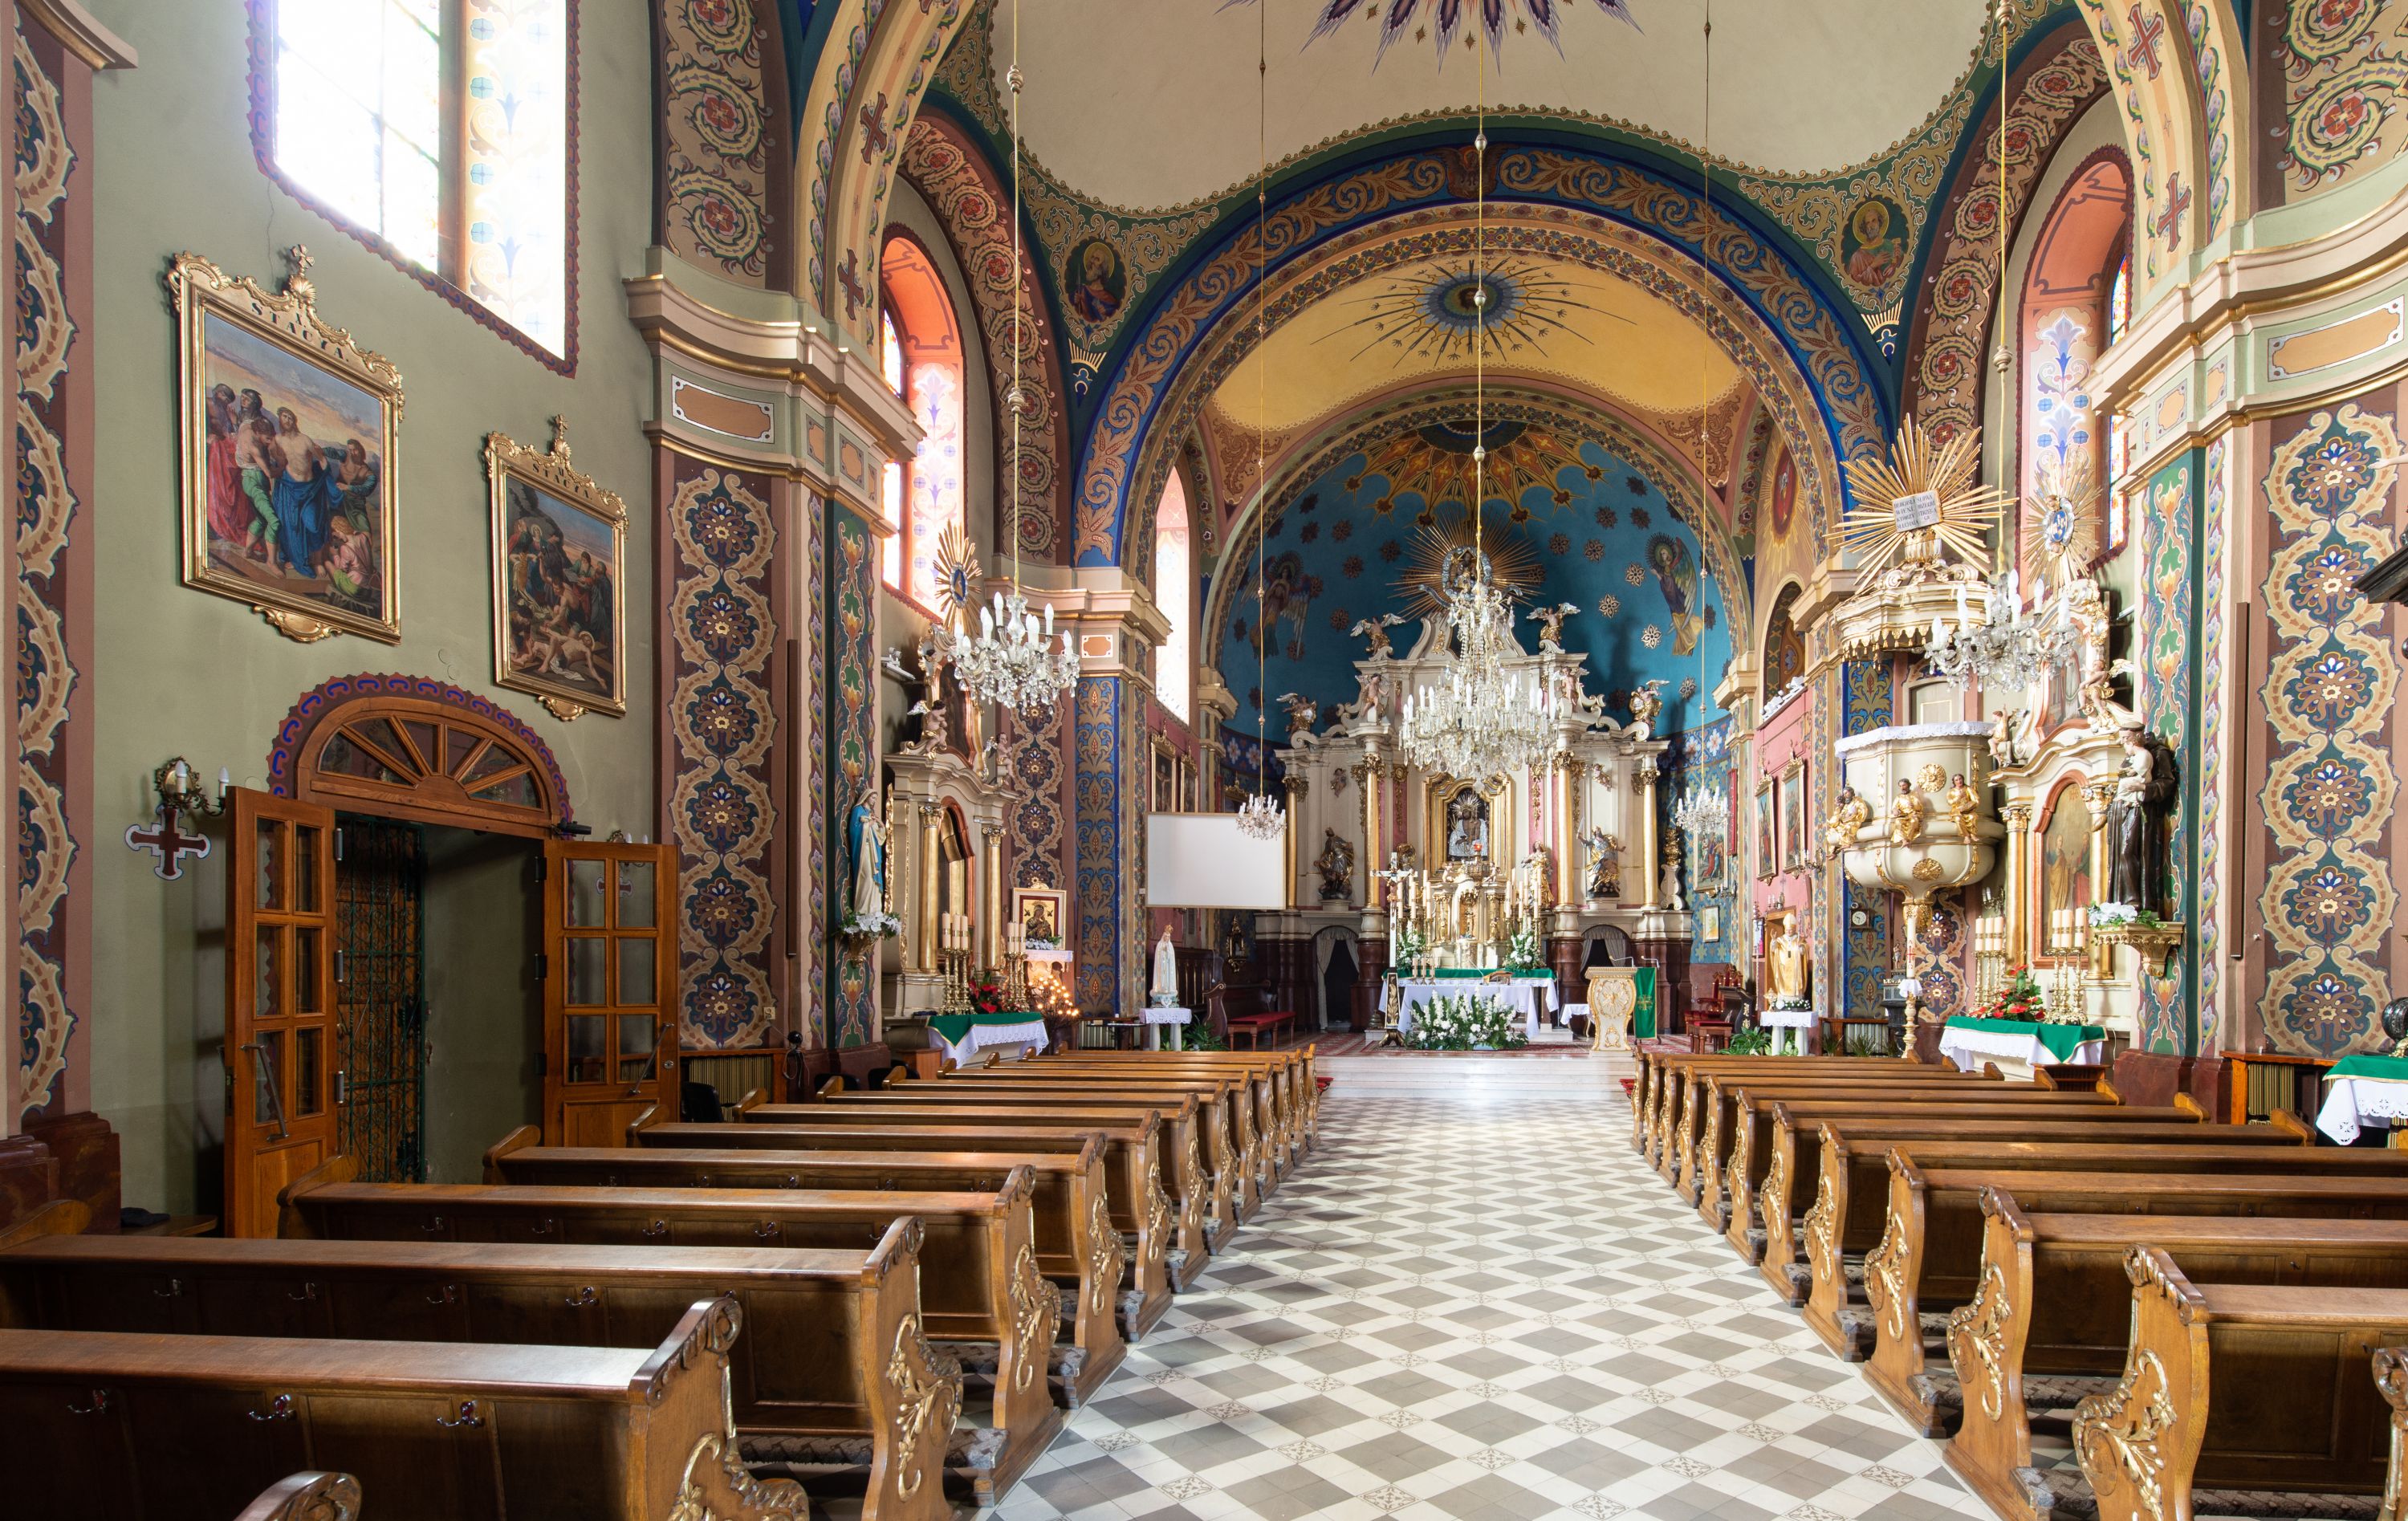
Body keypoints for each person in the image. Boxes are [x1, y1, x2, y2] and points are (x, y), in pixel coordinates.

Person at [270, 406, 332, 578]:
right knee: (291, 525)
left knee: (313, 525)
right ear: (280, 419)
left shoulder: (305, 440)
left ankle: (317, 561)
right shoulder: (277, 440)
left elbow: (322, 460)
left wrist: (325, 479)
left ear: (295, 421)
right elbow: (274, 460)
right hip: (289, 487)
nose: (287, 420)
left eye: (290, 417)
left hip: (309, 489)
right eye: (284, 416)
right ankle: (294, 558)